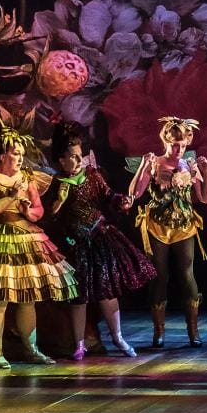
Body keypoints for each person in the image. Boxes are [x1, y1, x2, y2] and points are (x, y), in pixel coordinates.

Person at [0, 118, 77, 368]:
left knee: (27, 297)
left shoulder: (27, 177)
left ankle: (31, 348)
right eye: (15, 153)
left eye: (22, 154)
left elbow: (38, 211)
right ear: (2, 155)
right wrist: (10, 198)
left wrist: (26, 210)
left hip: (25, 238)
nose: (20, 158)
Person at [47, 122, 157, 360]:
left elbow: (109, 196)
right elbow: (51, 217)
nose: (79, 161)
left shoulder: (92, 176)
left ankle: (117, 337)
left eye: (80, 155)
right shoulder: (56, 184)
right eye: (72, 157)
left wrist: (121, 201)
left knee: (107, 289)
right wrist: (59, 202)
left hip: (100, 238)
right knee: (78, 296)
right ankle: (79, 344)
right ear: (61, 160)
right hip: (75, 243)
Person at [128, 117, 207, 348]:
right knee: (160, 275)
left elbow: (205, 198)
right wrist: (143, 167)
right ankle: (159, 330)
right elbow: (135, 193)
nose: (179, 150)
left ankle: (193, 330)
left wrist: (206, 172)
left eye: (183, 145)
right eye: (175, 145)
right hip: (158, 226)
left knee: (187, 274)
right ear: (166, 141)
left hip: (184, 226)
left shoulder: (189, 165)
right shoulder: (155, 163)